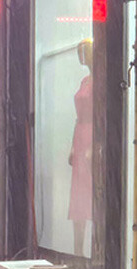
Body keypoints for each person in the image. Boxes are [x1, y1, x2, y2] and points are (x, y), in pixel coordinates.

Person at [68, 38, 93, 257]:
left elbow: (102, 115)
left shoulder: (99, 81)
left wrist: (94, 145)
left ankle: (95, 251)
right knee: (78, 195)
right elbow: (79, 117)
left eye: (84, 51)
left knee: (89, 192)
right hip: (80, 136)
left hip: (91, 136)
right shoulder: (86, 80)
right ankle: (78, 251)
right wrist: (73, 146)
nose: (81, 56)